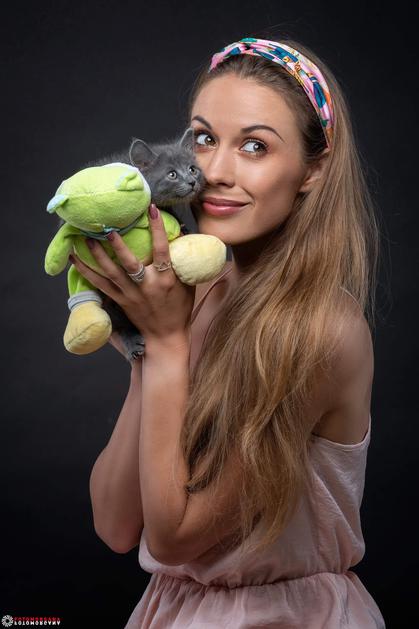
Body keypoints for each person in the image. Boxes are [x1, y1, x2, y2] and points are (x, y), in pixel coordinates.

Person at [71, 35, 386, 628]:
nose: (212, 172)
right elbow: (115, 525)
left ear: (312, 170)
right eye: (204, 138)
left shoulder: (323, 330)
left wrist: (168, 346)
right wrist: (147, 345)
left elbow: (173, 539)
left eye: (255, 146)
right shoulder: (194, 293)